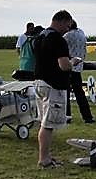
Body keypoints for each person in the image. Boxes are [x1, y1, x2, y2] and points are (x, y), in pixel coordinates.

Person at [32, 10, 81, 169]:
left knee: (44, 122)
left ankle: (46, 155)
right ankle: (44, 159)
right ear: (62, 21)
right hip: (53, 85)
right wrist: (74, 62)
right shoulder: (58, 40)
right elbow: (64, 65)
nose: (68, 29)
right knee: (48, 124)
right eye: (67, 25)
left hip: (39, 83)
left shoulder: (40, 37)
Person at [64, 19, 95, 124]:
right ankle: (87, 116)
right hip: (78, 68)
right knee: (80, 93)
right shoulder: (81, 33)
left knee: (66, 93)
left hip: (69, 67)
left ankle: (67, 116)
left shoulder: (67, 36)